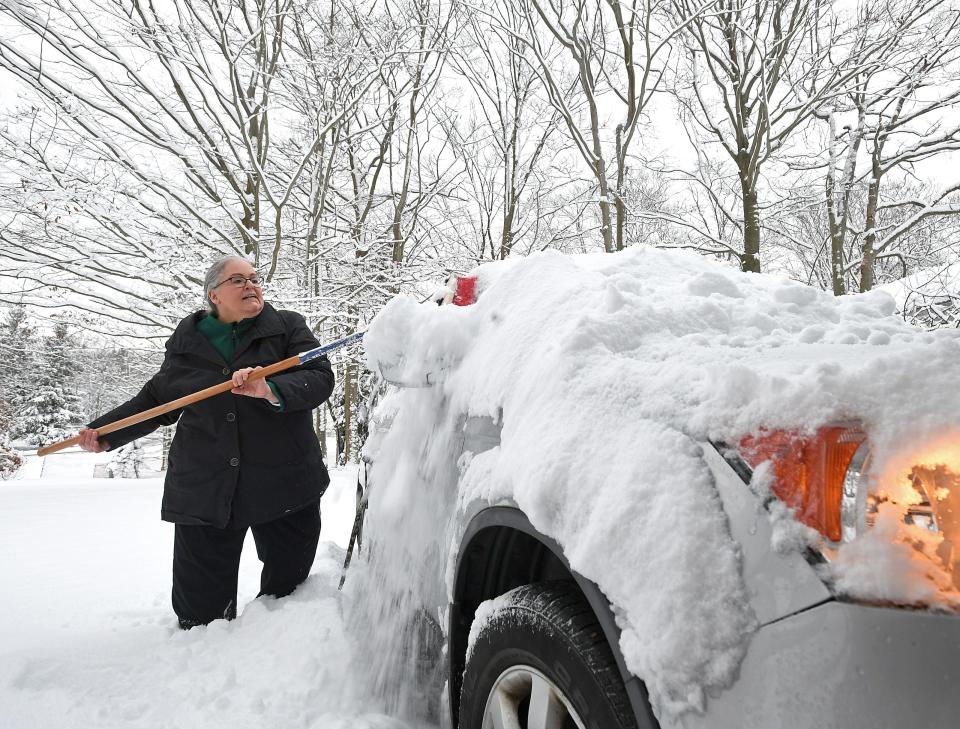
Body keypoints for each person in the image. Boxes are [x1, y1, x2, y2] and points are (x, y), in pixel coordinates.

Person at [78, 255, 334, 629]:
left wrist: (269, 388)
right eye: (238, 280)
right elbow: (155, 401)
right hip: (205, 486)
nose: (250, 285)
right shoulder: (188, 344)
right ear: (213, 295)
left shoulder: (287, 328)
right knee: (199, 617)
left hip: (284, 483)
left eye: (254, 278)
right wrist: (105, 434)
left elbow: (320, 377)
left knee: (288, 601)